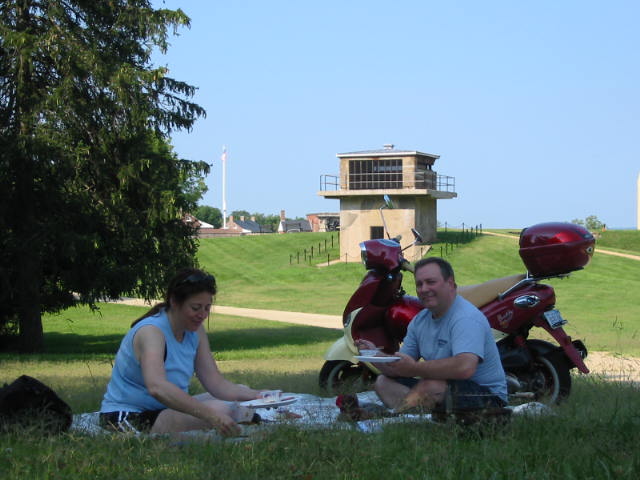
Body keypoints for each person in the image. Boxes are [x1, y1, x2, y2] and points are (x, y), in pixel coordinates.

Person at [100, 268, 265, 436]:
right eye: (195, 308)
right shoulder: (152, 332)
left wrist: (261, 396)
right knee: (222, 408)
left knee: (239, 393)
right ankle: (246, 421)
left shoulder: (195, 332)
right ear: (174, 302)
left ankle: (255, 417)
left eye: (207, 308)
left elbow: (215, 383)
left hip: (166, 410)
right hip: (128, 416)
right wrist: (213, 416)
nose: (202, 315)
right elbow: (157, 387)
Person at [358, 257, 508, 413]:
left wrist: (414, 369)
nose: (423, 289)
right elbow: (399, 367)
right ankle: (414, 410)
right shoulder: (419, 321)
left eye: (431, 282)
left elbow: (465, 368)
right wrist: (374, 354)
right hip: (442, 387)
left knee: (431, 386)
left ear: (450, 284)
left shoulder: (465, 318)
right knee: (383, 382)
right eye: (419, 284)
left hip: (487, 395)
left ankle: (397, 413)